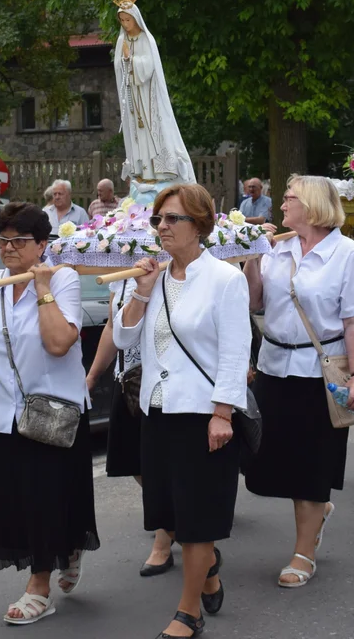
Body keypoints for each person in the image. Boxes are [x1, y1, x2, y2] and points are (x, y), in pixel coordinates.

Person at [0, 202, 99, 625]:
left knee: (44, 498)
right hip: (0, 414)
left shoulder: (63, 278)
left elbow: (58, 343)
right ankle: (64, 549)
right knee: (11, 500)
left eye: (19, 241)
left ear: (42, 245)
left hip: (52, 413)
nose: (8, 248)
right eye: (2, 240)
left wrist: (43, 288)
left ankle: (39, 587)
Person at [113, 183, 249, 638]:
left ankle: (188, 614)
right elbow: (124, 341)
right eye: (158, 220)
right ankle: (207, 568)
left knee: (197, 514)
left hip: (202, 414)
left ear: (200, 225)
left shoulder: (225, 280)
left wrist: (223, 413)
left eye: (173, 219)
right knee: (170, 512)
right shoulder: (154, 276)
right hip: (157, 410)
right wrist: (142, 291)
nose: (162, 227)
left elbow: (235, 351)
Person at [241, 174, 354, 587]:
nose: (281, 205)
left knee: (311, 467)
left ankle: (304, 553)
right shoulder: (277, 249)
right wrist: (251, 257)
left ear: (312, 205)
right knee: (268, 461)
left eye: (289, 198)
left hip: (320, 373)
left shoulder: (347, 253)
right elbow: (255, 302)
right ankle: (317, 511)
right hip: (274, 367)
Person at [84, 278, 175, 578]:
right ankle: (175, 511)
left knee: (159, 463)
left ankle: (165, 538)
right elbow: (113, 328)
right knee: (131, 460)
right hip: (128, 379)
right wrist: (94, 375)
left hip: (163, 380)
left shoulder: (169, 272)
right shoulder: (120, 279)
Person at [112, 0, 196, 206]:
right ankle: (143, 171)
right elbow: (119, 68)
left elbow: (148, 67)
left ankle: (161, 172)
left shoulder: (146, 39)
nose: (125, 24)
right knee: (138, 138)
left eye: (128, 19)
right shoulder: (122, 41)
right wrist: (123, 62)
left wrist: (132, 60)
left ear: (136, 18)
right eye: (122, 20)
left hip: (148, 99)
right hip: (133, 100)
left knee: (152, 133)